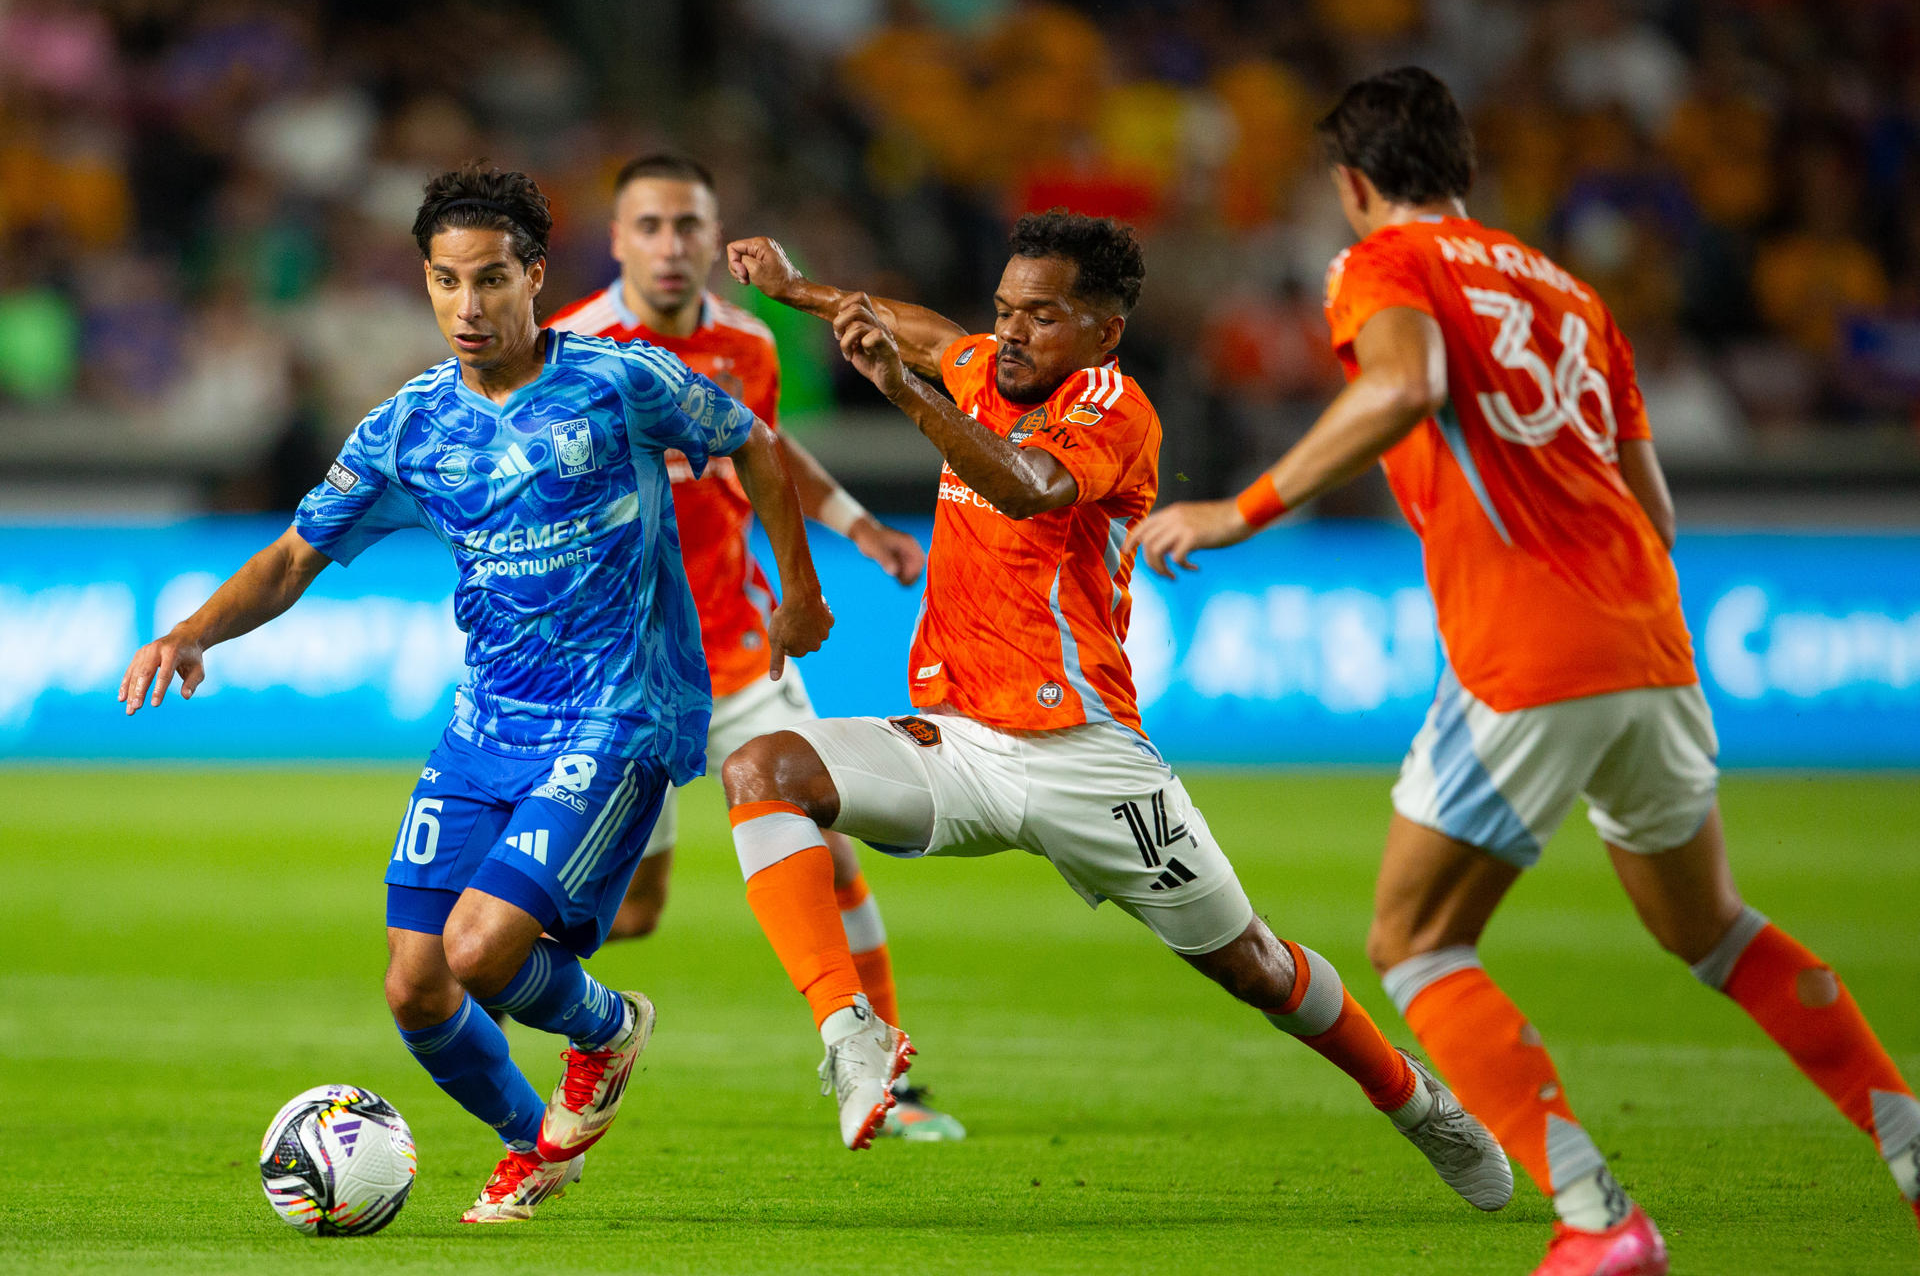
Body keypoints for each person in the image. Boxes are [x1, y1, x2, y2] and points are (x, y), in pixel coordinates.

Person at [1128, 67, 1920, 1276]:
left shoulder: (1385, 265)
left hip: (1529, 644)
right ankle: (1911, 1149)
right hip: (1651, 636)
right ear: (1468, 175)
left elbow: (1403, 385)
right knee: (1711, 928)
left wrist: (1238, 511)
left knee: (1414, 939)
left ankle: (1601, 1219)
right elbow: (1651, 498)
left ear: (1352, 186)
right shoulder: (1572, 294)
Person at [714, 205, 1515, 1215]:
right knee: (763, 770)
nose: (1010, 333)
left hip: (1087, 759)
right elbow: (919, 328)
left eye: (1040, 316)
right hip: (961, 740)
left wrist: (904, 392)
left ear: (1101, 330)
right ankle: (851, 1028)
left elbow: (1026, 486)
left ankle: (1417, 1101)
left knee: (1255, 965)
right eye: (1005, 310)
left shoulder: (1114, 408)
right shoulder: (978, 366)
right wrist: (802, 289)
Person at [118, 164, 833, 1223]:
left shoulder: (619, 383)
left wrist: (802, 592)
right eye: (446, 282)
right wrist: (187, 630)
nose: (468, 305)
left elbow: (754, 444)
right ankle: (532, 1144)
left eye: (492, 279)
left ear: (537, 276)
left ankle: (606, 1027)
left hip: (620, 708)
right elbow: (288, 559)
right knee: (416, 984)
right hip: (487, 722)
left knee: (482, 948)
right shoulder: (408, 428)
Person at [542, 154, 960, 1141]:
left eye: (689, 225)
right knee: (631, 911)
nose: (672, 245)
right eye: (650, 225)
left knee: (831, 841)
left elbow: (766, 451)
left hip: (740, 647)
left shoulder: (747, 340)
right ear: (618, 240)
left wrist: (859, 526)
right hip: (622, 671)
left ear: (713, 233)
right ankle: (548, 1012)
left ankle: (884, 1068)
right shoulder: (569, 349)